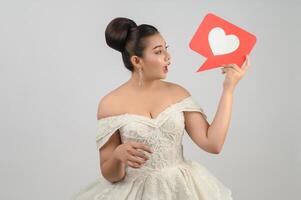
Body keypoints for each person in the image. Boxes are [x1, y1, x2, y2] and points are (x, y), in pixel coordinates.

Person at [70, 17, 250, 200]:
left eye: (166, 49)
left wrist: (229, 88)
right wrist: (117, 156)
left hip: (181, 190)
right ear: (137, 60)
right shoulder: (110, 104)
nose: (168, 57)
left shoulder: (178, 93)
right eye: (158, 51)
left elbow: (213, 144)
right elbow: (110, 175)